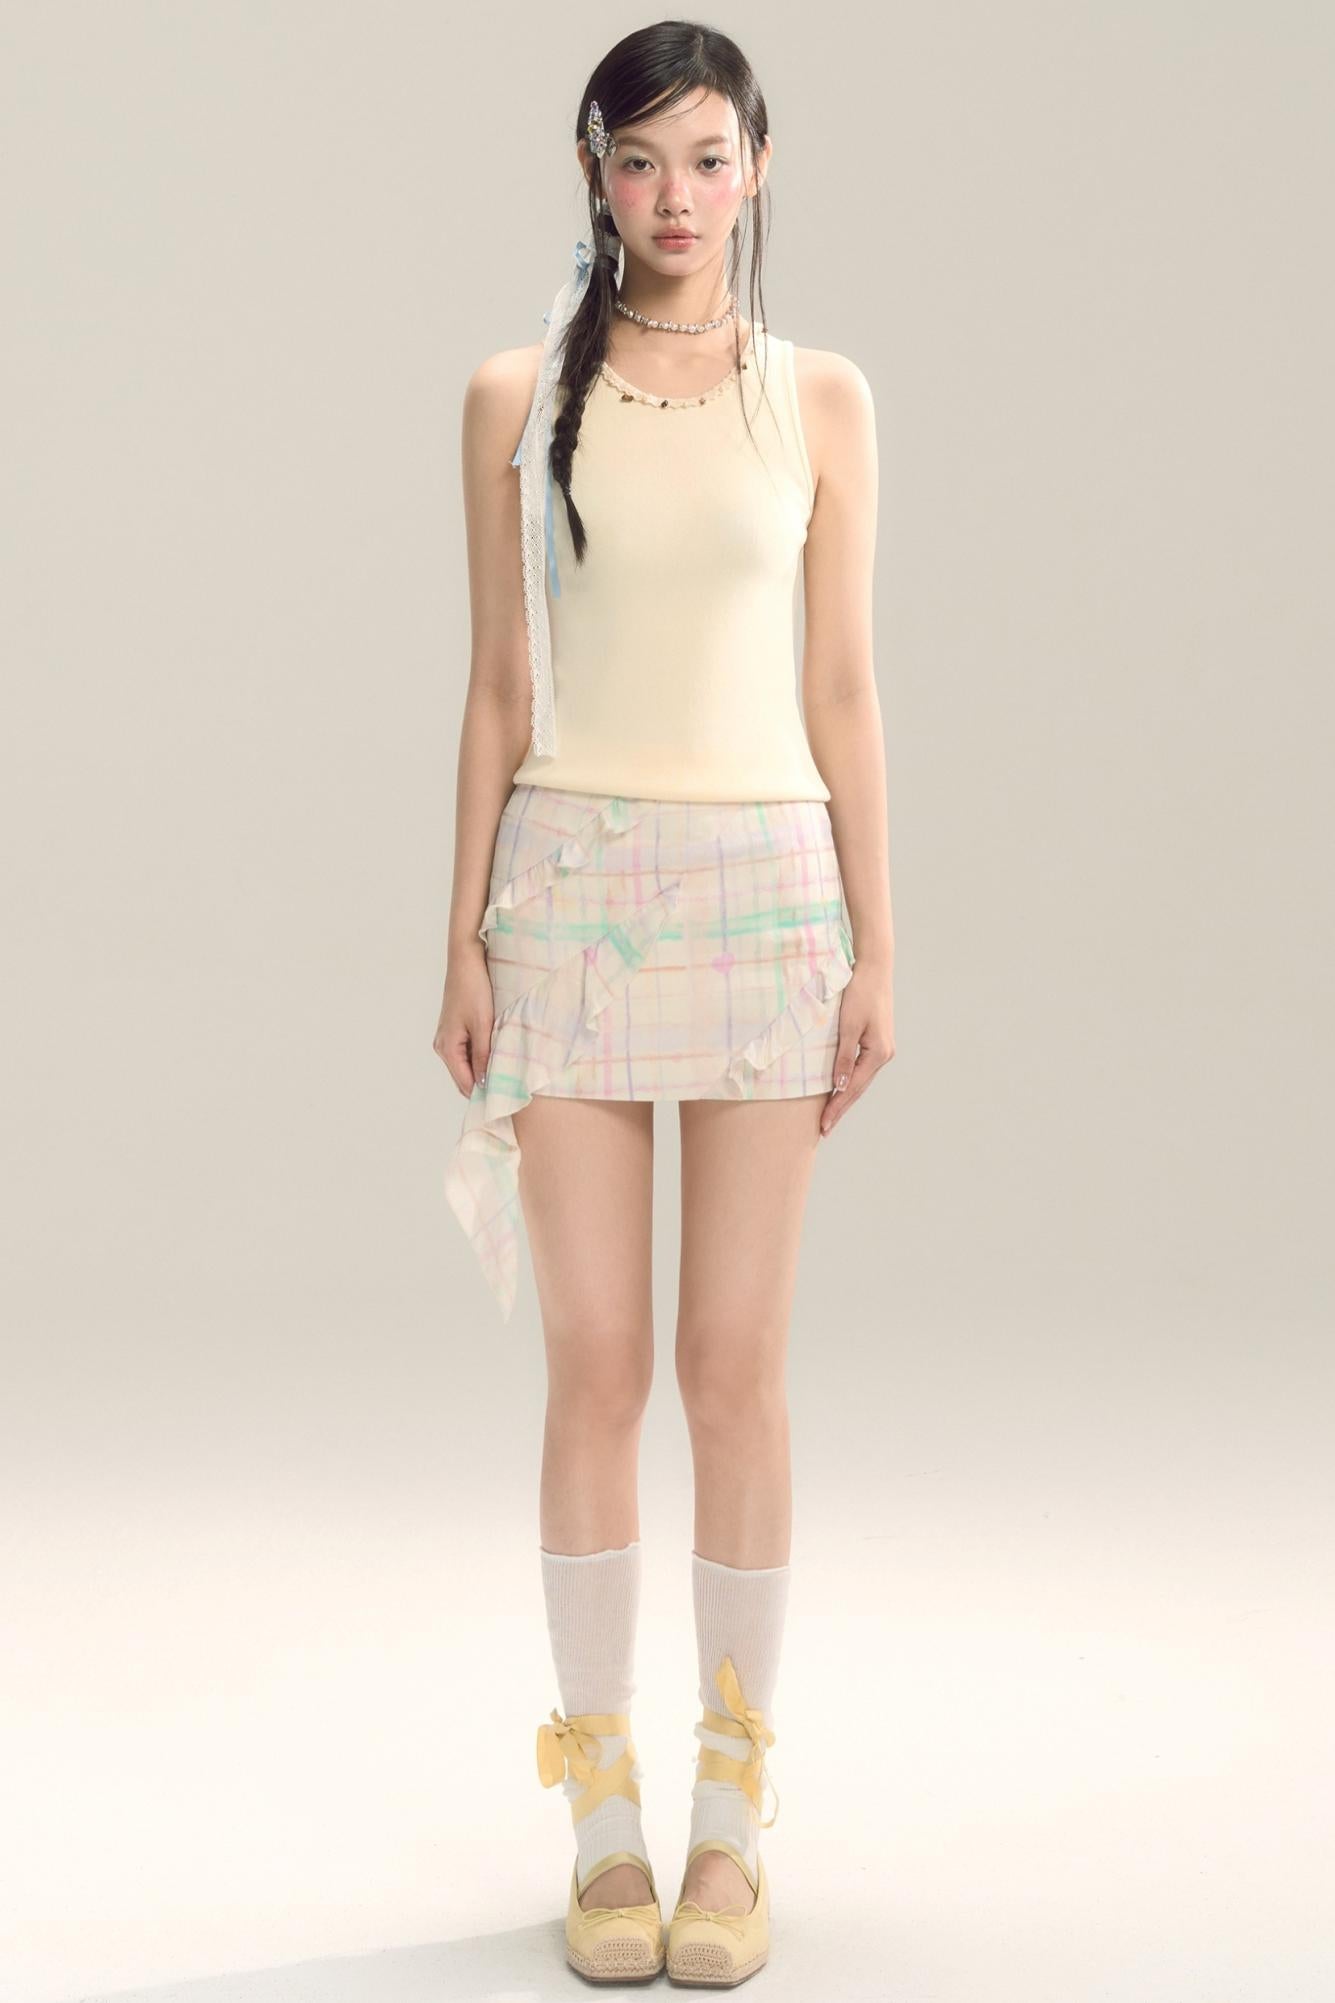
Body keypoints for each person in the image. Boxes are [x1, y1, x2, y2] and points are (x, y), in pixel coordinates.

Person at [433, 23, 894, 1987]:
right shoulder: (513, 396)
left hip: (767, 890)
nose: (675, 196)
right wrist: (459, 934)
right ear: (592, 174)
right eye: (640, 161)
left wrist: (880, 943)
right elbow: (496, 687)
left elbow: (842, 684)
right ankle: (602, 1816)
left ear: (757, 167)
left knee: (732, 1368)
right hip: (569, 890)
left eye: (707, 158)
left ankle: (730, 1818)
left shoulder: (819, 398)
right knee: (596, 1363)